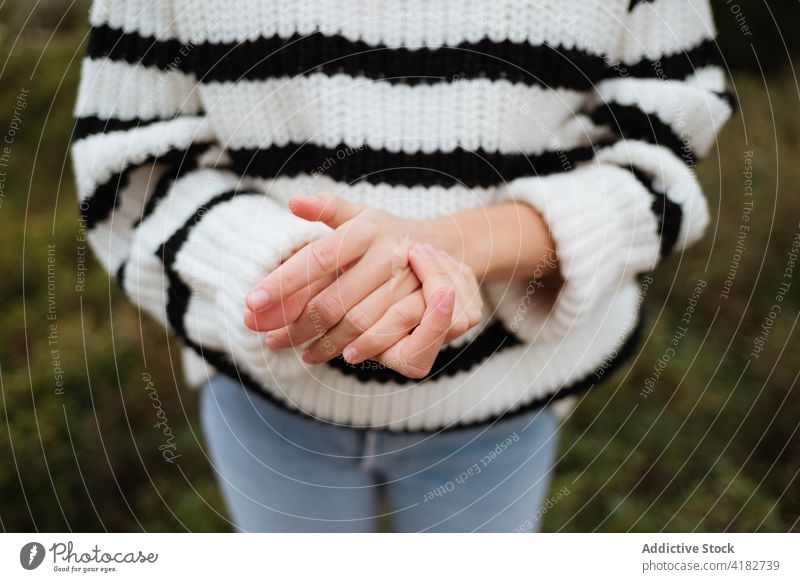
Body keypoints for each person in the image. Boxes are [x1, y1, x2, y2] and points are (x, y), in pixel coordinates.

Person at [71, 0, 731, 532]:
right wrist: (304, 271)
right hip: (264, 395)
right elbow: (134, 167)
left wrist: (454, 245)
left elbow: (661, 151)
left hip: (503, 401)